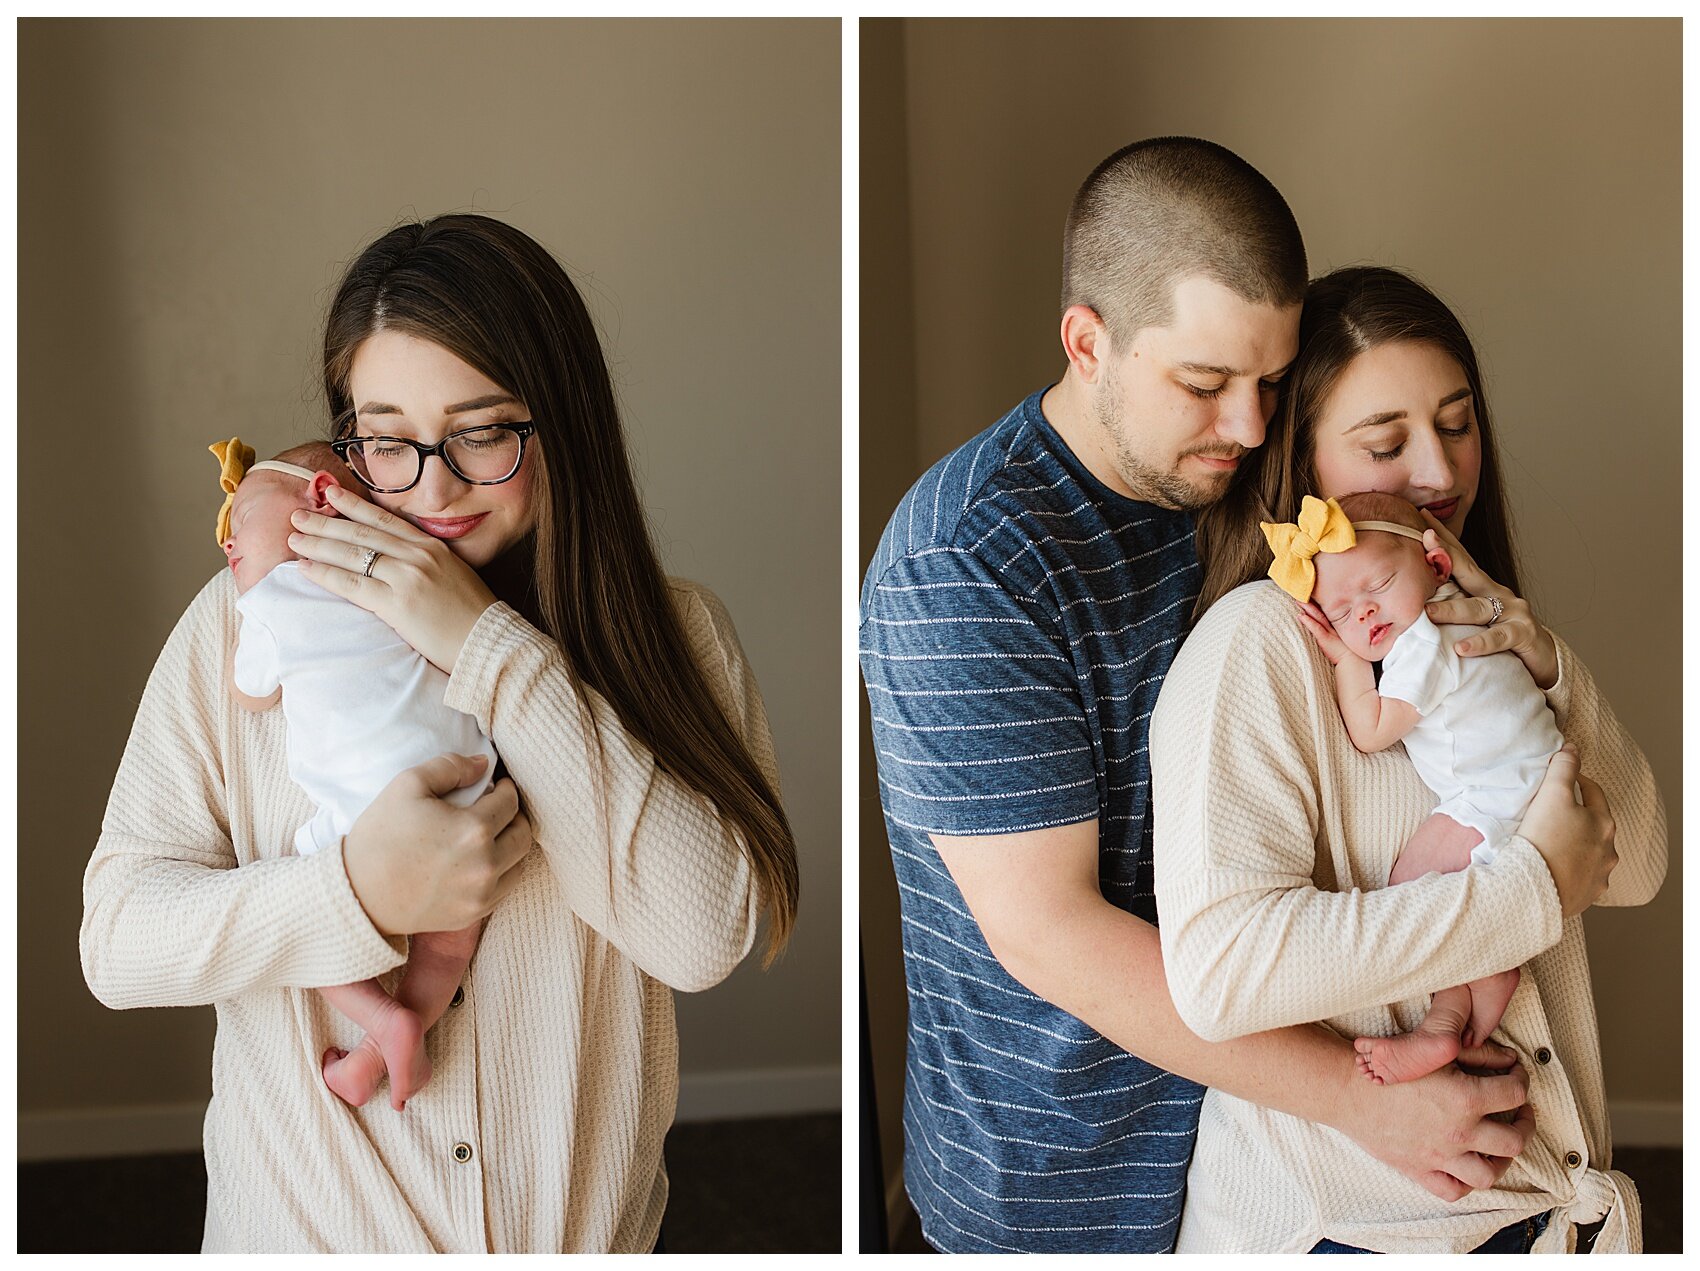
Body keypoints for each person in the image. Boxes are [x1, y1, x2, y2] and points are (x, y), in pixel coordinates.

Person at [860, 138, 1610, 1254]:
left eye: (1269, 382)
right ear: (1085, 341)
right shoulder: (964, 560)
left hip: (1252, 1139)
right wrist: (1363, 1097)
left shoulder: (1234, 492)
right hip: (1065, 1165)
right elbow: (1052, 935)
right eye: (1205, 384)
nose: (1250, 426)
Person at [82, 214, 798, 1253]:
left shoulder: (675, 637)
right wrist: (353, 893)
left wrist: (488, 646)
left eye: (483, 429)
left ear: (562, 423)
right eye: (386, 436)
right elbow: (117, 941)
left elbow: (701, 935)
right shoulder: (253, 616)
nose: (431, 482)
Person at [1154, 265, 1665, 1253]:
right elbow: (1220, 969)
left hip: (1543, 1209)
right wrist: (1522, 889)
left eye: (1457, 423)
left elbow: (1635, 866)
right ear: (1303, 473)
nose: (1438, 472)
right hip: (1354, 1227)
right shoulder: (1257, 648)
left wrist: (1548, 664)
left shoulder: (1479, 637)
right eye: (1385, 444)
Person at [216, 438, 496, 1112]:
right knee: (450, 939)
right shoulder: (409, 575)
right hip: (470, 783)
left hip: (363, 812)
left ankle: (384, 1021)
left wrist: (247, 603)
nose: (226, 544)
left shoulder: (274, 597)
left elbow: (251, 692)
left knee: (308, 908)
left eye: (240, 517)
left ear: (318, 498)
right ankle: (391, 1039)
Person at [1278, 490, 1560, 1086]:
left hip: (1501, 793)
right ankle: (1465, 1006)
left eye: (1378, 584)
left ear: (1434, 565)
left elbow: (1371, 731)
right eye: (1341, 613)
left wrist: (1344, 660)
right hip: (1520, 777)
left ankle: (1448, 1015)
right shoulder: (1452, 616)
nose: (1366, 614)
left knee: (1412, 883)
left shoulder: (1426, 638)